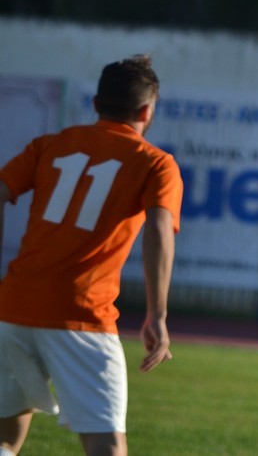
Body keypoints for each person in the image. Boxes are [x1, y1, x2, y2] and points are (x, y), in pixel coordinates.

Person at [0, 55, 183, 456]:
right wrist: (157, 314)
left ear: (97, 103)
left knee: (5, 437)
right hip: (82, 315)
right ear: (146, 111)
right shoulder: (156, 163)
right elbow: (158, 230)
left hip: (13, 307)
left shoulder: (51, 145)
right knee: (106, 444)